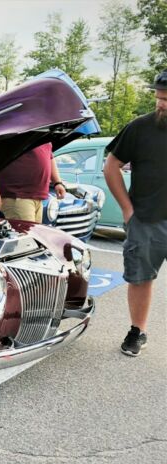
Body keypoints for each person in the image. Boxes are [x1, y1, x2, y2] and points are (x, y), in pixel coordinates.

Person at [103, 70, 167, 357]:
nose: (161, 104)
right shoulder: (140, 128)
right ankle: (137, 331)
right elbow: (111, 166)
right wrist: (128, 210)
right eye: (158, 97)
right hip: (146, 219)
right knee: (140, 278)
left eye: (166, 99)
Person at [0, 142, 66, 222]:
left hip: (38, 198)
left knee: (34, 233)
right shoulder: (18, 131)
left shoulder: (43, 134)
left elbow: (49, 157)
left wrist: (57, 183)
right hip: (17, 197)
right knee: (24, 234)